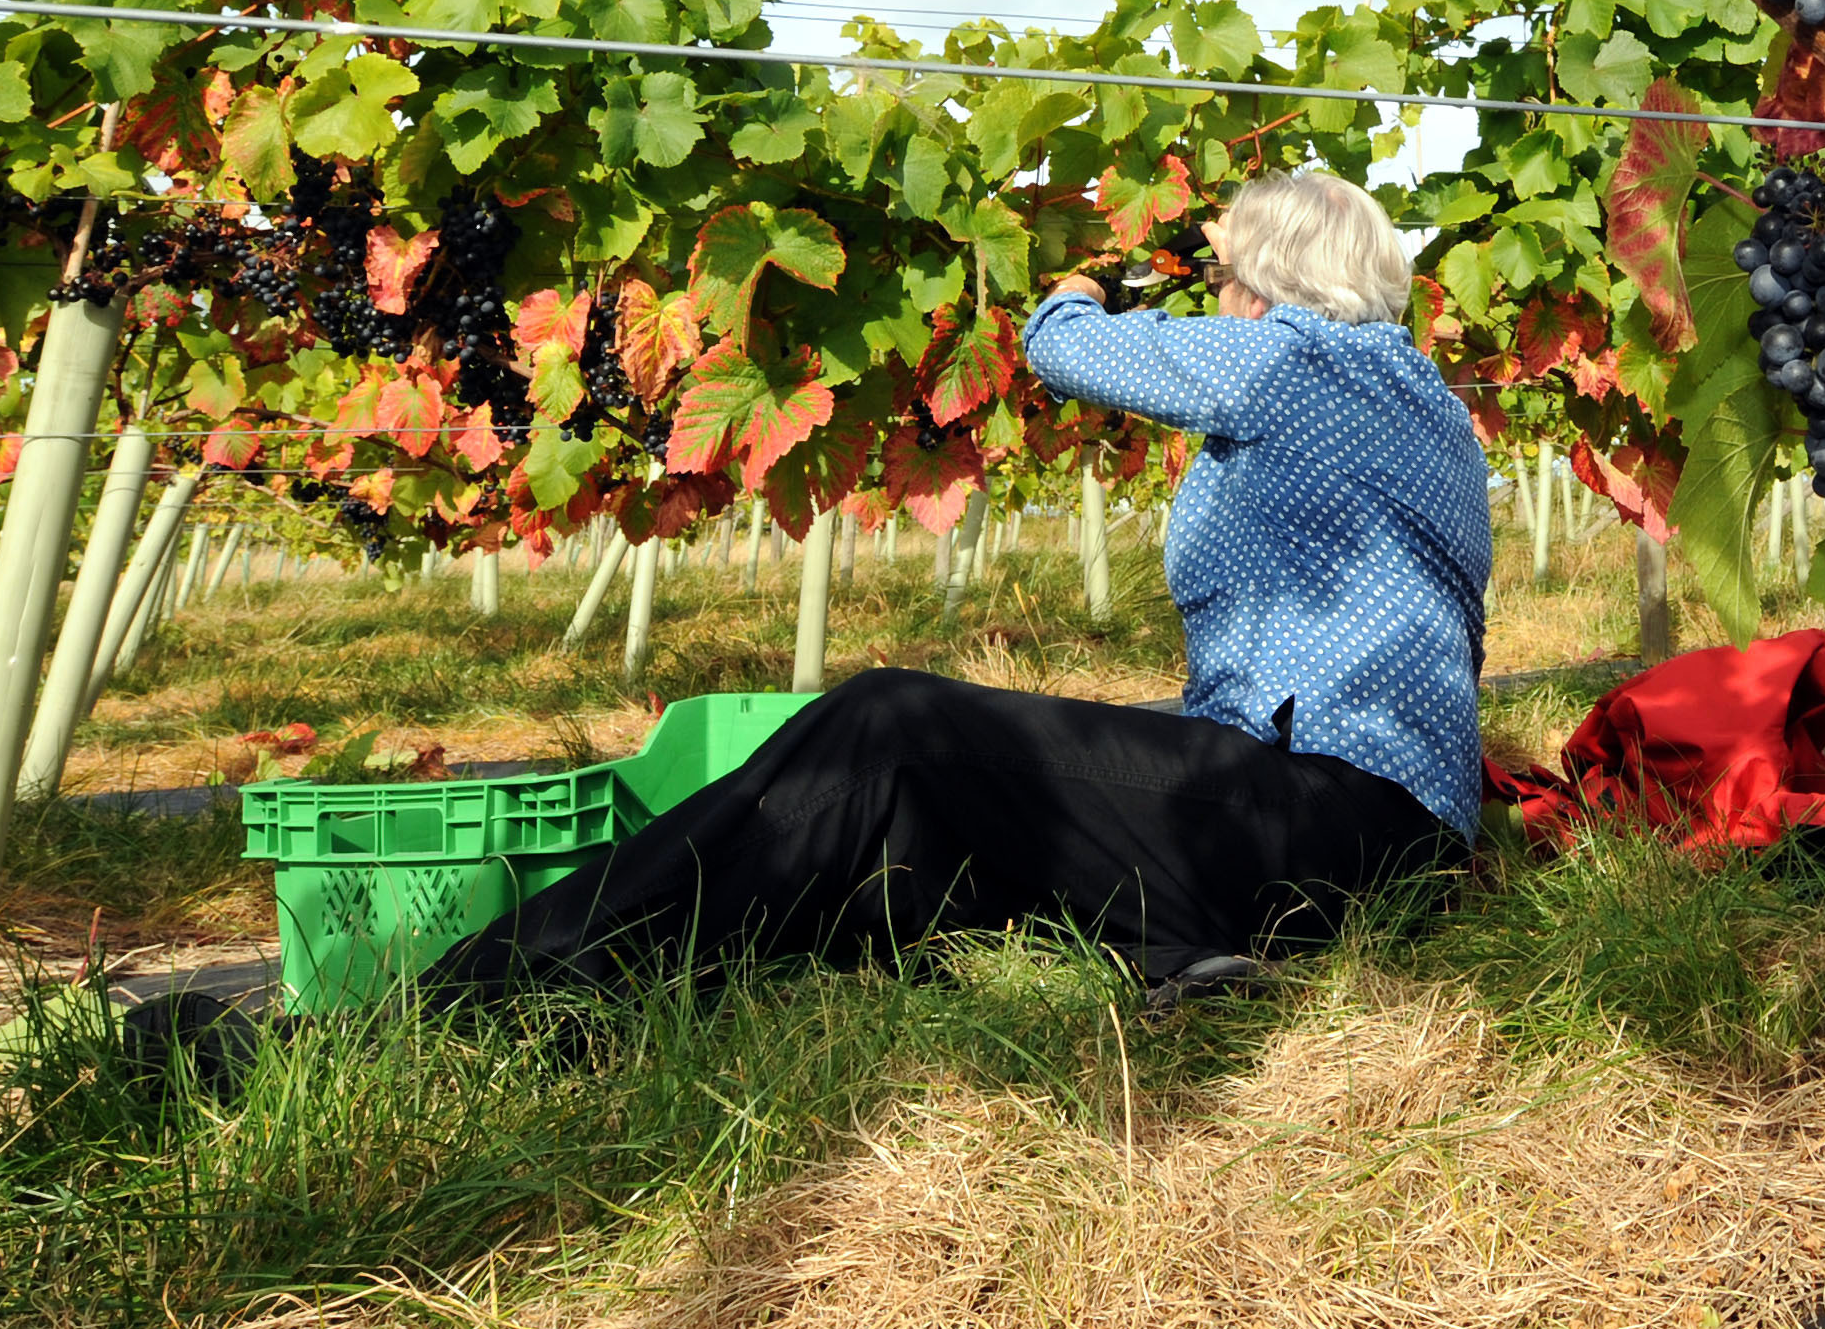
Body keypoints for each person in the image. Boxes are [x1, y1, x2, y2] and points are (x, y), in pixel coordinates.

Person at [420, 169, 1492, 1010]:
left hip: (1309, 828)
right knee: (914, 838)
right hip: (1383, 842)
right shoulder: (1431, 408)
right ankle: (604, 1000)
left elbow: (1068, 353)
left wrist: (1074, 295)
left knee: (892, 725)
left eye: (1223, 283)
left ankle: (463, 1008)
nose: (1216, 302)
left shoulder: (1291, 359)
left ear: (1264, 288)